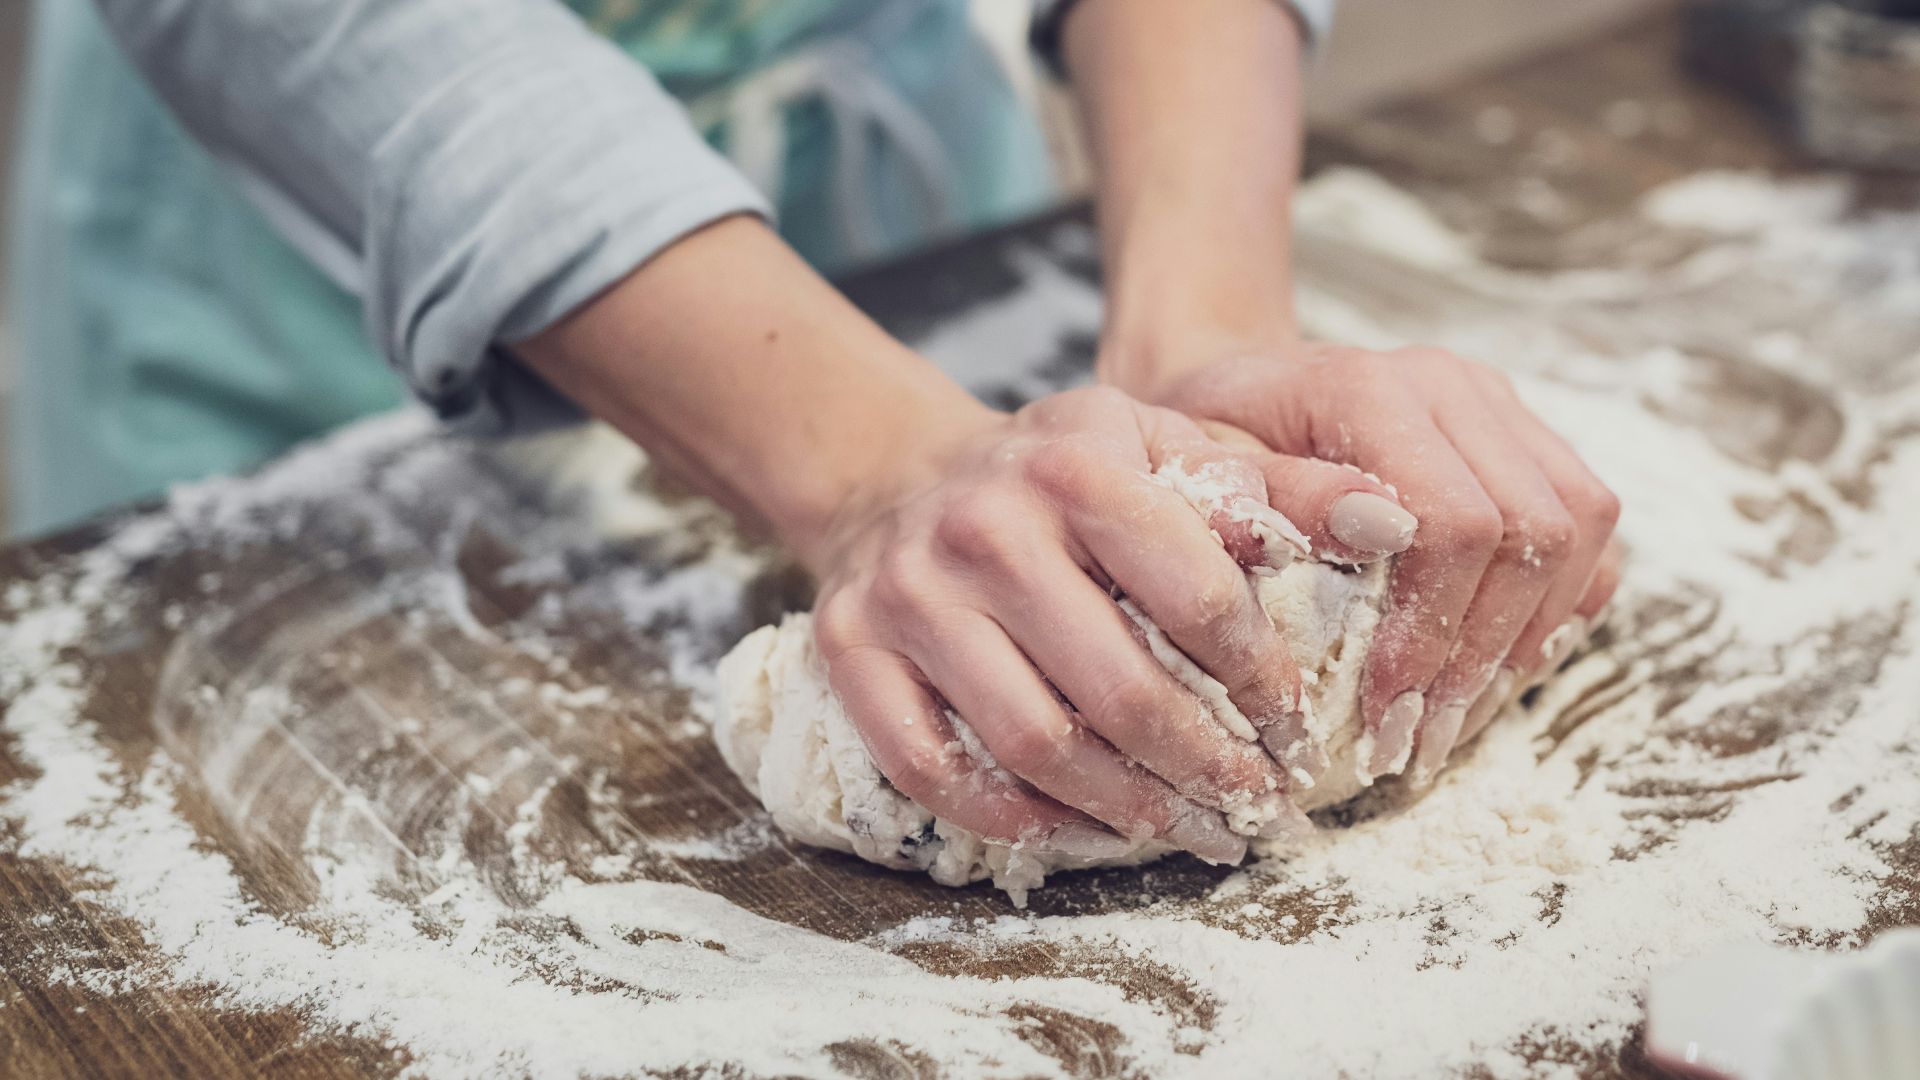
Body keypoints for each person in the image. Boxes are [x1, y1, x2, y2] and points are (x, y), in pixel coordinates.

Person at [7, 0, 1620, 863]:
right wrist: (874, 463)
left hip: (890, 186)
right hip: (317, 254)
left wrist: (1202, 334)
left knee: (1045, 568)